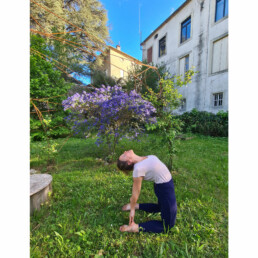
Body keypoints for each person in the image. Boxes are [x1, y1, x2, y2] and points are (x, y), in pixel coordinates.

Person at [117, 150, 177, 233]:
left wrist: (133, 206)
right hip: (165, 189)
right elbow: (135, 194)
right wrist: (132, 209)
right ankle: (135, 227)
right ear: (129, 162)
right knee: (167, 226)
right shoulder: (138, 169)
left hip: (163, 187)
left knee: (161, 207)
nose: (125, 151)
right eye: (124, 155)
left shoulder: (142, 159)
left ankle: (138, 206)